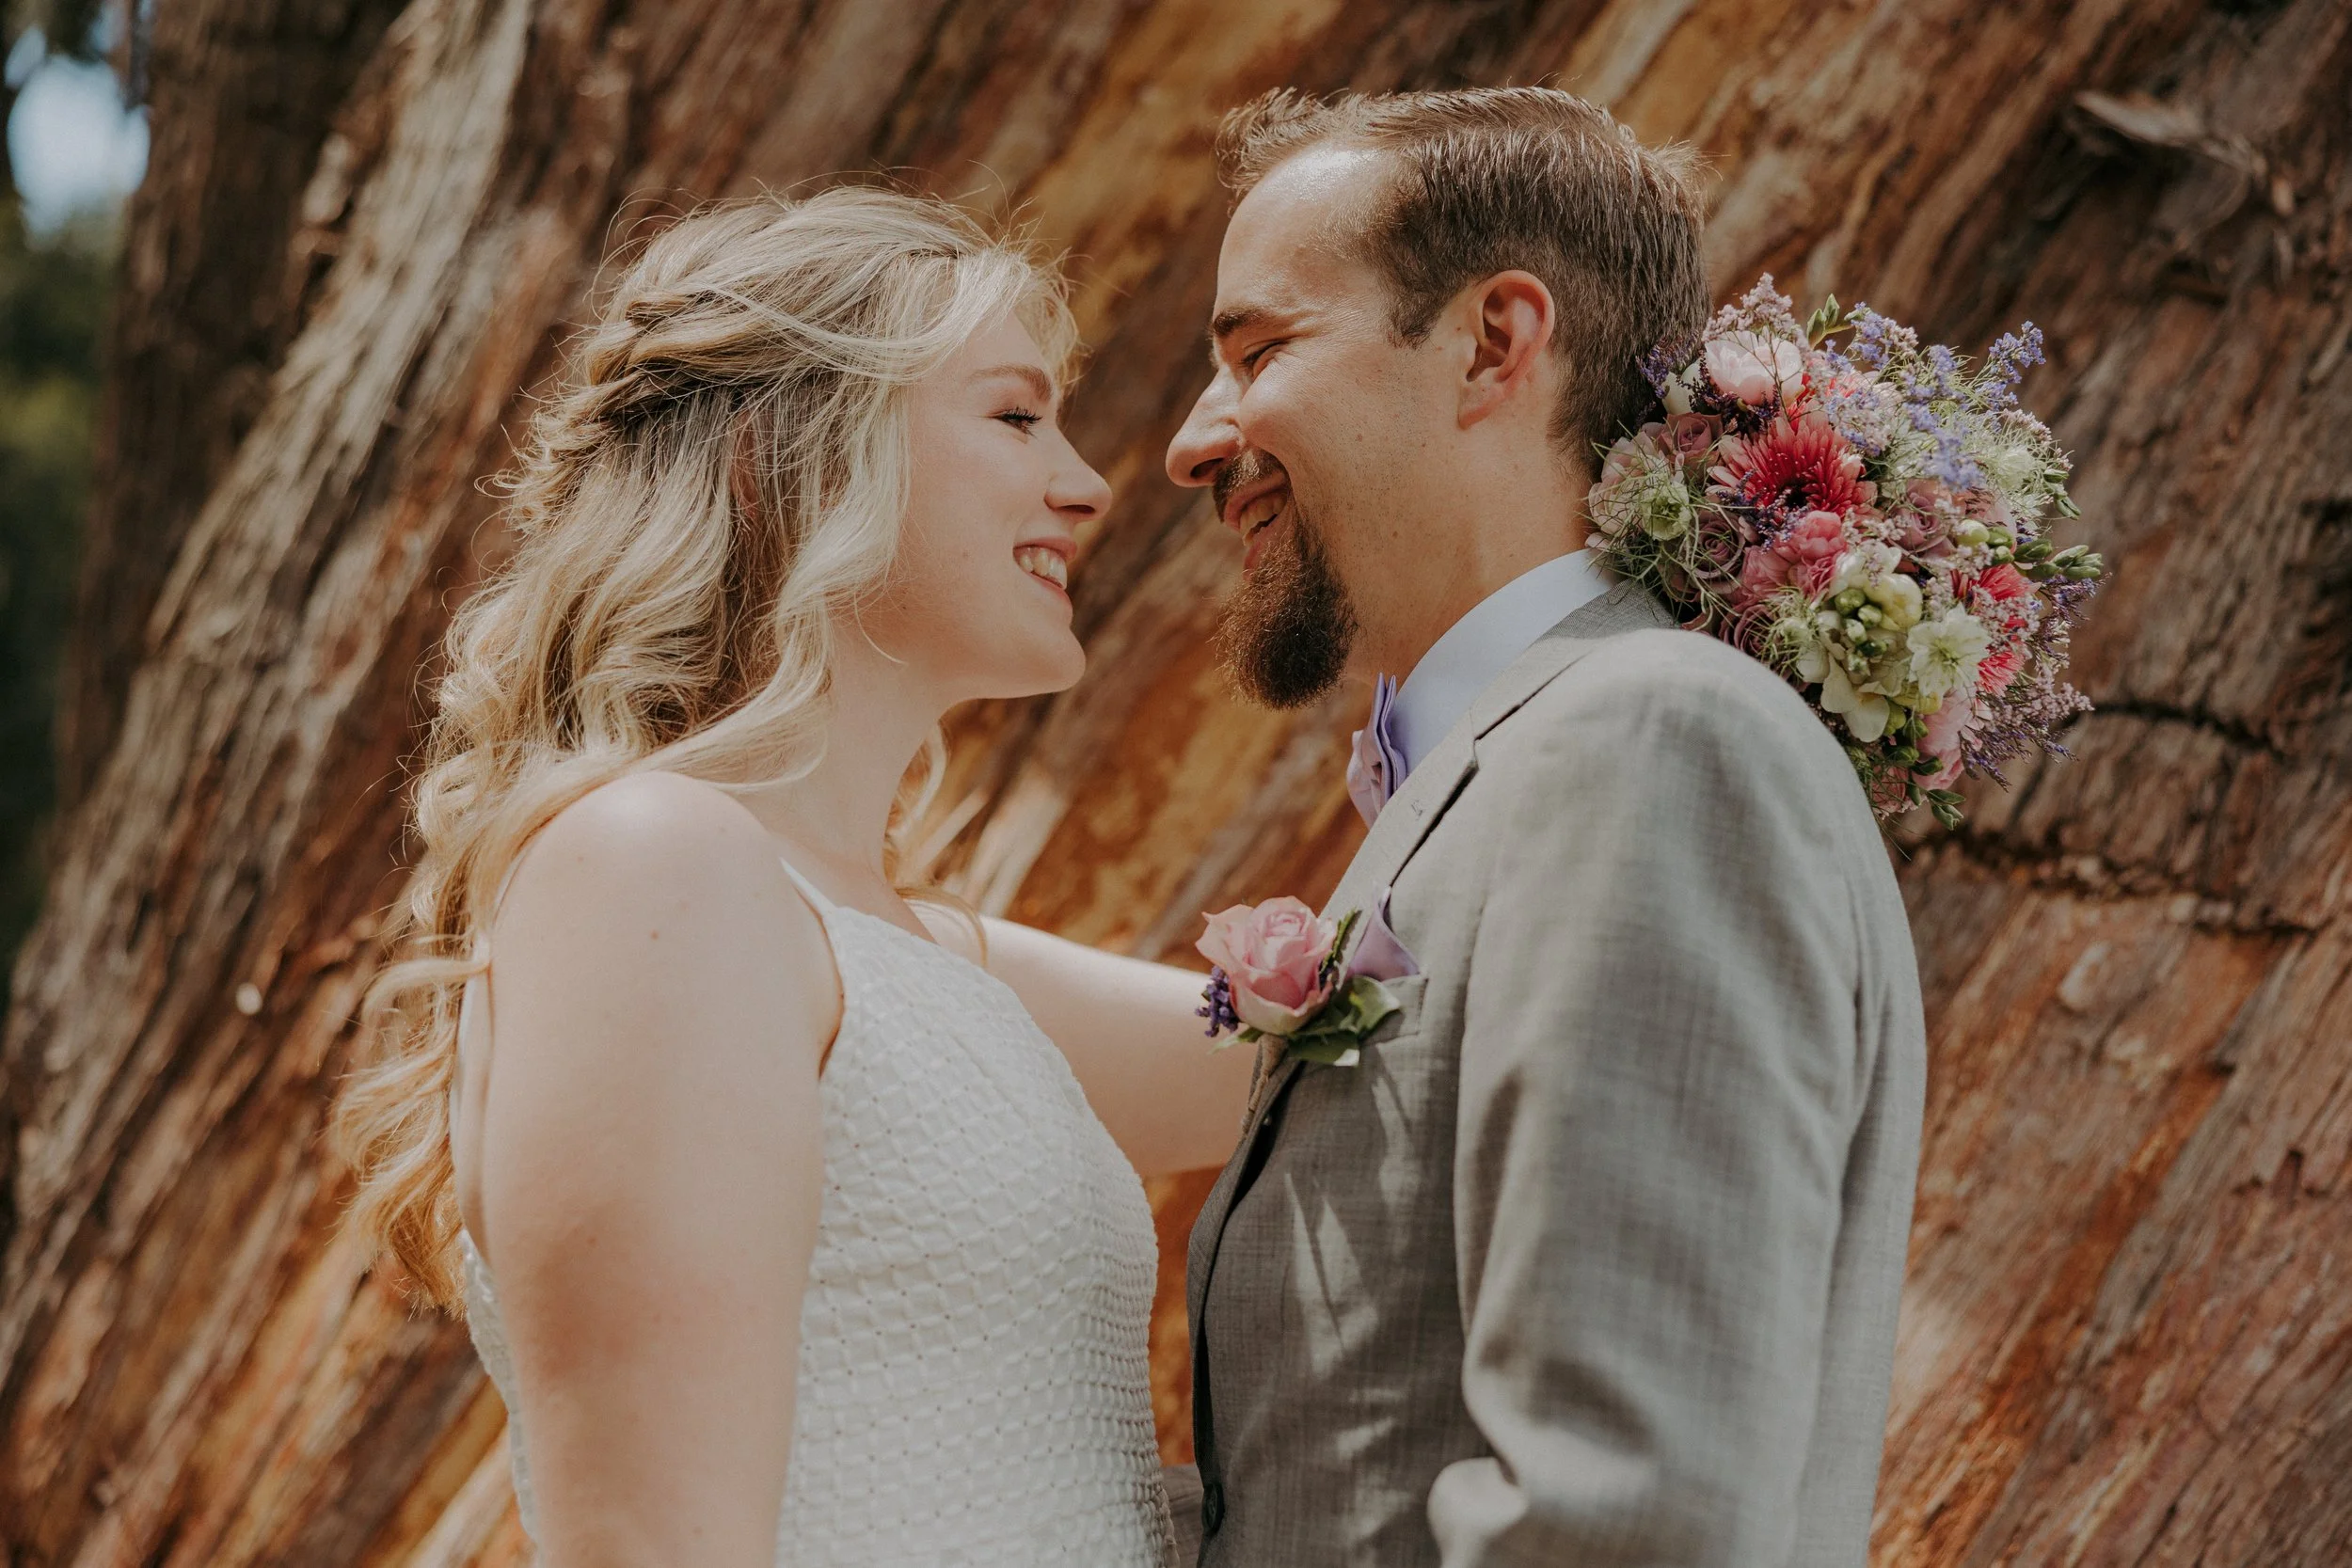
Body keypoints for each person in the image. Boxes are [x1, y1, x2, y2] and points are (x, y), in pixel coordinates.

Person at [332, 188, 1253, 1567]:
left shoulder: (918, 953)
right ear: (792, 455)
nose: (1087, 481)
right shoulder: (655, 866)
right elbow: (652, 1544)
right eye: (1013, 416)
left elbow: (1320, 1061)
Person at [1159, 87, 1929, 1565]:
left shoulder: (1650, 743)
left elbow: (1624, 1517)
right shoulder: (1513, 766)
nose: (1200, 442)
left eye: (1259, 351)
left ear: (1494, 344)